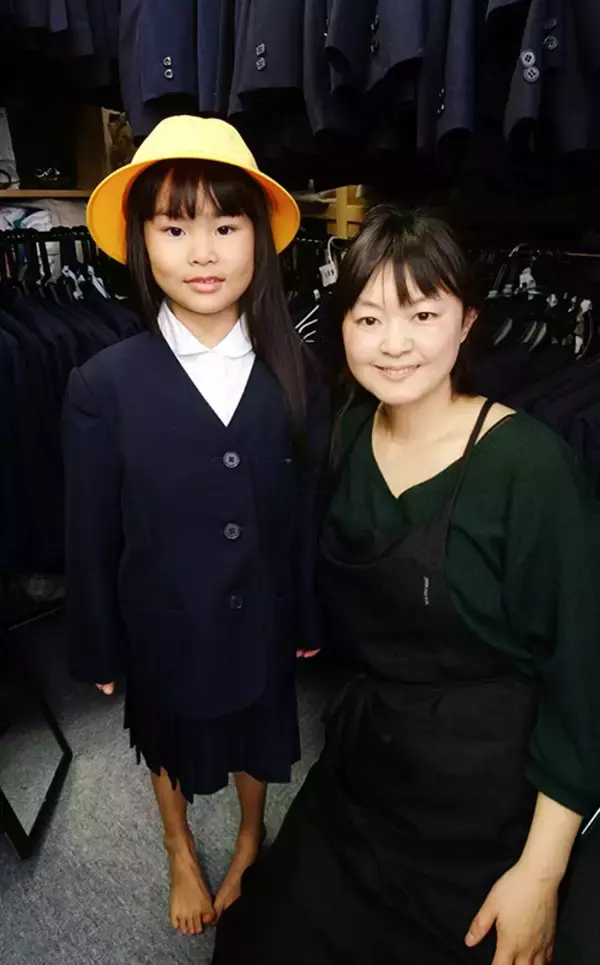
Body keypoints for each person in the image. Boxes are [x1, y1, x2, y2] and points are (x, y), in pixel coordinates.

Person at [212, 206, 600, 965]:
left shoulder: (530, 466)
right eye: (368, 317)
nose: (394, 343)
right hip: (369, 764)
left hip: (491, 789)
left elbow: (582, 678)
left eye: (423, 314)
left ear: (467, 324)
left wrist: (539, 872)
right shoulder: (348, 434)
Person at [63, 116, 327, 937]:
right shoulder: (103, 384)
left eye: (225, 225)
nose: (202, 252)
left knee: (259, 734)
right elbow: (89, 531)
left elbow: (309, 506)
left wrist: (308, 614)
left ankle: (250, 838)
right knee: (168, 739)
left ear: (259, 238)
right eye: (174, 229)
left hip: (264, 613)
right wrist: (98, 643)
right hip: (162, 620)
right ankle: (178, 843)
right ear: (142, 243)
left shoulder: (298, 370)